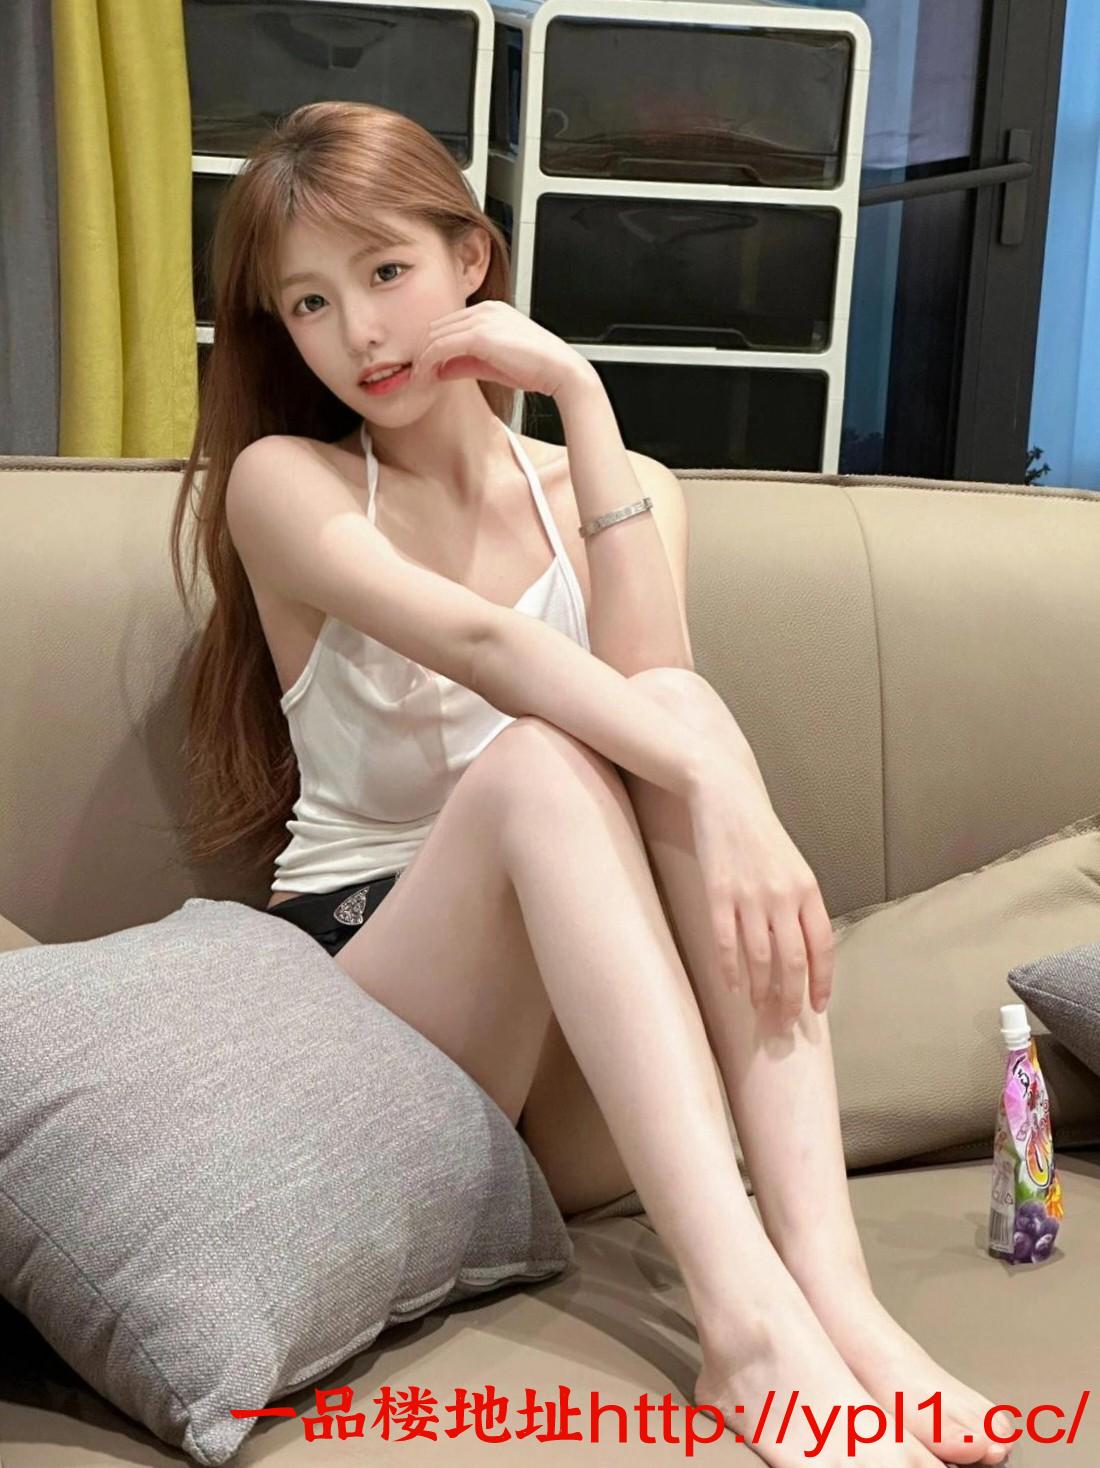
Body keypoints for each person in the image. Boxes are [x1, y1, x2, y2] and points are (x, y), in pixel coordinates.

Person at [169, 100, 1010, 1468]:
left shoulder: (625, 490)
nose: (362, 333)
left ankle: (838, 1302)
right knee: (550, 764)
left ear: (472, 261)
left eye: (387, 271)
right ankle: (746, 1338)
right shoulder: (287, 482)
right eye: (310, 303)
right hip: (378, 1014)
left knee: (666, 706)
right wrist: (731, 793)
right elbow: (490, 652)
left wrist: (584, 394)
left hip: (586, 1084)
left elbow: (653, 694)